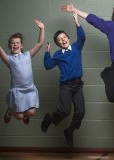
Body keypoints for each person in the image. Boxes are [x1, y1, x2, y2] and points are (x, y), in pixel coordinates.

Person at [0, 19, 45, 125]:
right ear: (10, 46)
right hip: (17, 91)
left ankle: (24, 114)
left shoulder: (28, 55)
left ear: (21, 45)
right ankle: (10, 110)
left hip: (29, 89)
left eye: (17, 43)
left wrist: (42, 28)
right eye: (12, 43)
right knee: (19, 117)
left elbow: (39, 43)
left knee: (32, 113)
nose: (15, 44)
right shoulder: (9, 59)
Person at [41, 13, 85, 148]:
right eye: (60, 40)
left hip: (78, 86)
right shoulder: (58, 55)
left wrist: (77, 22)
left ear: (69, 38)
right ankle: (50, 118)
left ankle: (69, 131)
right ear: (58, 44)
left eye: (64, 37)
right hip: (66, 86)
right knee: (65, 111)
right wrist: (47, 53)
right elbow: (48, 66)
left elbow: (82, 37)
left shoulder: (76, 48)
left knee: (81, 112)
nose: (63, 40)